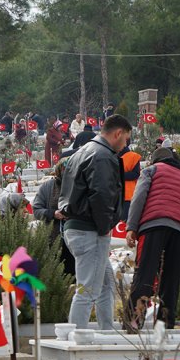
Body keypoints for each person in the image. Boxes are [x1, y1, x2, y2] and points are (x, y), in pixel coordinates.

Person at [59, 114, 133, 330]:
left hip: (78, 226)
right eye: (126, 139)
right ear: (118, 133)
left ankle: (106, 331)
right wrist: (104, 227)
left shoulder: (83, 151)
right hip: (90, 229)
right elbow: (101, 195)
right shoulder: (102, 155)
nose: (125, 144)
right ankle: (77, 340)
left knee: (106, 283)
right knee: (87, 289)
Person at [124, 147, 180, 330]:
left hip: (153, 225)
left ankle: (134, 322)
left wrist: (131, 228)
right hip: (178, 230)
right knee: (171, 279)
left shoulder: (151, 170)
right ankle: (164, 326)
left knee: (145, 273)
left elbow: (139, 198)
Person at [120, 143, 142, 216]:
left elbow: (136, 174)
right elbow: (136, 174)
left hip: (122, 195)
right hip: (129, 194)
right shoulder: (134, 157)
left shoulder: (110, 155)